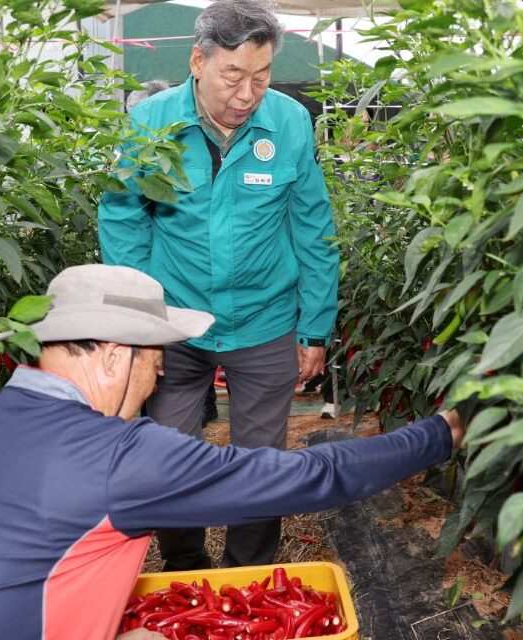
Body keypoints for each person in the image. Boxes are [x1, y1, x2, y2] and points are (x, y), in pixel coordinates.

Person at [0, 264, 465, 640]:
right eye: (155, 366)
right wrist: (442, 432)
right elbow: (314, 475)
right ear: (114, 357)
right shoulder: (118, 457)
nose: (157, 382)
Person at [99, 0, 339, 570]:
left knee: (262, 465)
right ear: (198, 62)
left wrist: (315, 326)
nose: (247, 93)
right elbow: (124, 224)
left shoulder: (288, 122)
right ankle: (184, 569)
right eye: (233, 75)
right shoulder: (150, 123)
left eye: (261, 77)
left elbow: (313, 226)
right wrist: (141, 330)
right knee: (169, 458)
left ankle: (249, 575)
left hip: (264, 320)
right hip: (175, 324)